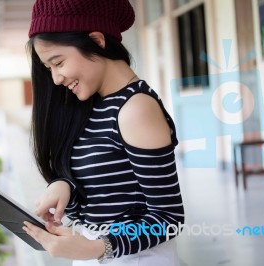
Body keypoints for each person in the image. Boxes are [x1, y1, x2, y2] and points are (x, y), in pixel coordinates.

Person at [22, 0, 185, 265]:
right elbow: (103, 198)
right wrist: (65, 186)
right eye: (49, 68)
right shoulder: (90, 106)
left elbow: (168, 219)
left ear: (97, 41)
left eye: (58, 62)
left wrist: (96, 249)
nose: (56, 79)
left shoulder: (135, 108)